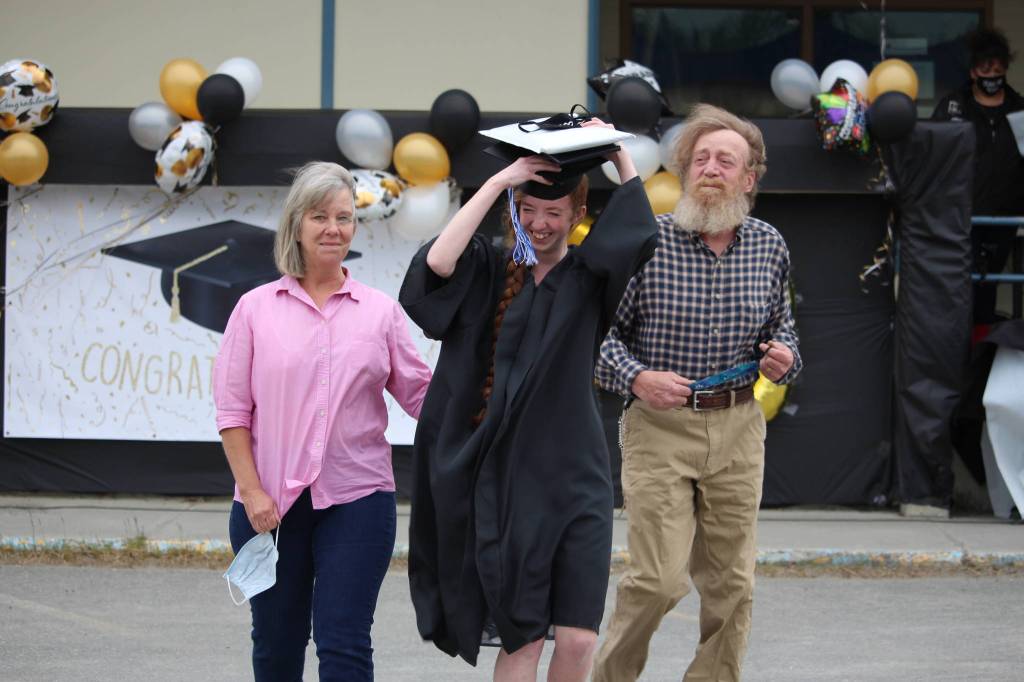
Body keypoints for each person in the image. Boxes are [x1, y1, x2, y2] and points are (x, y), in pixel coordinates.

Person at [399, 118, 658, 681]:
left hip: (577, 477)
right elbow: (436, 267)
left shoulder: (589, 280)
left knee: (579, 639)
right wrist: (499, 182)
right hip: (510, 482)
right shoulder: (490, 270)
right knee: (523, 639)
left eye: (554, 213)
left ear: (577, 216)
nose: (540, 224)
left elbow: (638, 232)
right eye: (528, 211)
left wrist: (617, 153)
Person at [591, 103, 802, 682]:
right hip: (659, 430)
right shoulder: (646, 243)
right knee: (657, 580)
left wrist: (782, 360)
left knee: (732, 583)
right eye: (700, 158)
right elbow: (598, 340)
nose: (711, 168)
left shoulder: (770, 246)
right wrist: (636, 377)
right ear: (684, 172)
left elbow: (782, 335)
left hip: (738, 427)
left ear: (748, 178)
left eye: (725, 160)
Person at [213, 161, 432, 681]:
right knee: (276, 646)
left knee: (345, 645)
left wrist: (487, 389)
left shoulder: (379, 312)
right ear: (297, 224)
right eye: (319, 217)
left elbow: (424, 396)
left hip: (357, 500)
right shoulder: (253, 309)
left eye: (344, 217)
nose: (334, 228)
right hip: (269, 507)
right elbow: (232, 414)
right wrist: (254, 492)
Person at [932, 27, 1024, 327]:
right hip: (959, 218)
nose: (992, 75)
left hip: (1006, 217)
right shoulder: (953, 108)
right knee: (958, 291)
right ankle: (958, 359)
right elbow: (933, 158)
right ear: (973, 72)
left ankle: (983, 358)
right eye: (986, 69)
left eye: (998, 69)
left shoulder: (1019, 111)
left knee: (989, 289)